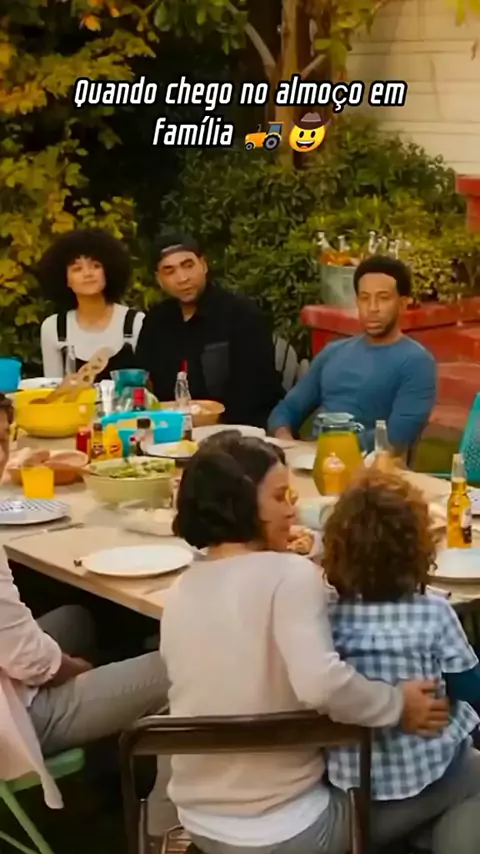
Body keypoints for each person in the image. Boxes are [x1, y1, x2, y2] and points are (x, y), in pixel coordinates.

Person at [158, 435, 448, 854]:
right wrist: (397, 704)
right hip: (291, 831)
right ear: (241, 504)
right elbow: (321, 684)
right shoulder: (291, 575)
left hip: (200, 823)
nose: (292, 510)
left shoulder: (181, 588)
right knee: (467, 774)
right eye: (280, 497)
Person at [0, 393, 170, 812]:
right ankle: (162, 818)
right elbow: (28, 659)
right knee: (176, 664)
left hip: (9, 676)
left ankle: (105, 772)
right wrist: (75, 669)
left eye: (3, 439)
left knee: (77, 619)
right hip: (10, 719)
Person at [323, 470, 480, 854]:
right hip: (428, 771)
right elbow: (470, 689)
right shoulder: (435, 613)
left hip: (351, 784)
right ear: (419, 549)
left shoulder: (325, 618)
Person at [268, 255, 437, 455]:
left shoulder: (417, 362)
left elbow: (397, 436)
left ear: (402, 303)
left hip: (368, 466)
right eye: (365, 298)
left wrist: (325, 449)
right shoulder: (334, 352)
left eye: (383, 298)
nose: (372, 308)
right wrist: (286, 441)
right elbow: (287, 409)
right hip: (310, 459)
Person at [134, 233, 284, 428]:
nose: (182, 278)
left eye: (188, 265)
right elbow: (141, 377)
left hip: (239, 429)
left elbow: (255, 389)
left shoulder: (242, 315)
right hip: (170, 430)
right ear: (159, 279)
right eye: (169, 271)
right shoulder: (156, 321)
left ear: (203, 265)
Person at [37, 228, 144, 380]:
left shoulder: (135, 323)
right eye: (77, 269)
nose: (87, 274)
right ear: (65, 279)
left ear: (108, 272)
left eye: (95, 266)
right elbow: (53, 387)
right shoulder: (53, 328)